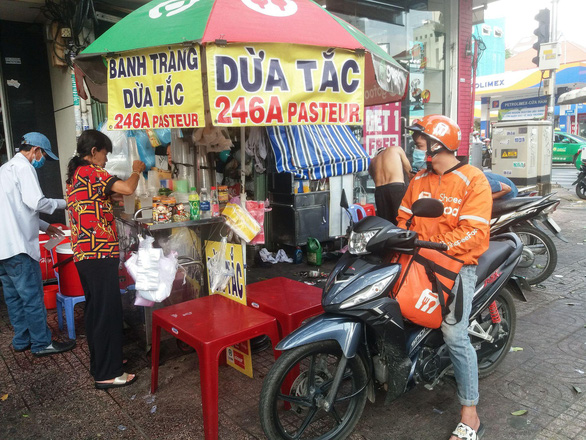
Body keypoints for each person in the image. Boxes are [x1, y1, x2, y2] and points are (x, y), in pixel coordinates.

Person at [397, 115, 492, 440]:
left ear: (438, 143)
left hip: (455, 267)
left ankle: (470, 414)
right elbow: (403, 217)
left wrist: (436, 245)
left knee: (454, 334)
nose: (417, 143)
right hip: (417, 261)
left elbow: (475, 234)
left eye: (422, 139)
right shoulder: (419, 179)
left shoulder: (472, 179)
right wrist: (395, 237)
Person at [66, 129, 145, 390]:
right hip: (98, 253)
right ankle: (108, 374)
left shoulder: (76, 175)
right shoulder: (92, 172)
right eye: (105, 153)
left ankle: (104, 363)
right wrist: (136, 169)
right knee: (107, 311)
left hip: (84, 253)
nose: (106, 159)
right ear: (93, 151)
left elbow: (105, 197)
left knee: (96, 311)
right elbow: (128, 188)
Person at [0, 132, 76, 356]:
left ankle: (22, 340)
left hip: (3, 249)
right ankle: (42, 343)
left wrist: (45, 226)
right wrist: (69, 202)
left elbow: (16, 208)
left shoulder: (5, 169)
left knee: (14, 298)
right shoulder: (24, 168)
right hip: (19, 247)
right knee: (32, 298)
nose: (41, 160)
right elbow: (36, 202)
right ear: (34, 150)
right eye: (42, 154)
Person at [368, 145, 413, 224]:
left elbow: (374, 177)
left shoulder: (373, 161)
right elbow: (409, 171)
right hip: (396, 187)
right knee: (401, 219)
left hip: (380, 191)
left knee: (386, 223)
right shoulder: (396, 149)